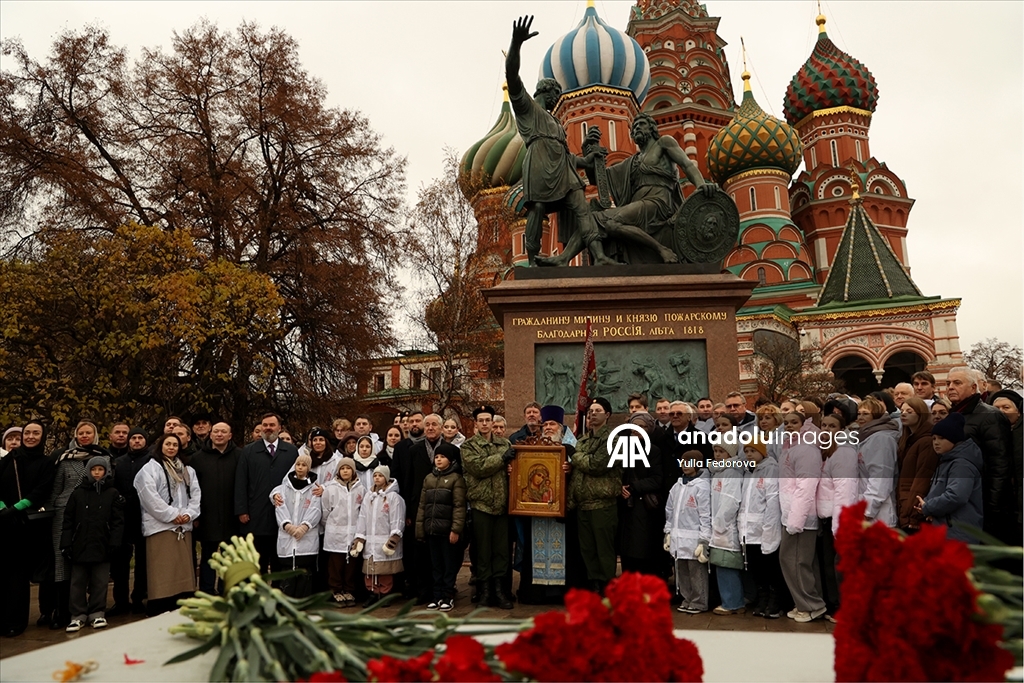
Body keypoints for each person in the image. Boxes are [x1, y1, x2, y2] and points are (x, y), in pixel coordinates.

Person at [505, 15, 608, 266]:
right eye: (556, 93)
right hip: (539, 162)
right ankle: (532, 259)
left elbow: (567, 156)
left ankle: (601, 256)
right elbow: (512, 75)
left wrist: (587, 160)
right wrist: (516, 45)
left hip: (563, 170)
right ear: (546, 91)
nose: (557, 98)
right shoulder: (528, 108)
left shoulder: (556, 123)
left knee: (582, 207)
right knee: (537, 208)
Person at [45, 420, 111, 629]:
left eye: (88, 432)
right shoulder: (64, 459)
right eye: (80, 433)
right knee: (63, 563)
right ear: (75, 435)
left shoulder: (104, 457)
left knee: (91, 563)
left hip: (94, 518)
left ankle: (95, 610)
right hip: (65, 515)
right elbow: (56, 490)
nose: (84, 436)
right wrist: (50, 512)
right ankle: (64, 611)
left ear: (95, 435)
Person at [516, 405, 580, 604]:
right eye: (546, 424)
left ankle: (562, 593)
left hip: (563, 512)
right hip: (537, 512)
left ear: (561, 427)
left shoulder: (572, 447)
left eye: (553, 424)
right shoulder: (532, 446)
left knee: (567, 553)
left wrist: (572, 468)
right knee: (536, 551)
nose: (548, 428)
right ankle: (537, 593)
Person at [946, 368, 1017, 544]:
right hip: (962, 498)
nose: (950, 387)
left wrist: (993, 506)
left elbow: (1000, 464)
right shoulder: (953, 415)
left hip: (984, 503)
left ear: (973, 387)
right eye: (948, 383)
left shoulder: (989, 415)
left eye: (957, 383)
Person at [134, 434, 201, 616]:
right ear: (160, 446)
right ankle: (161, 604)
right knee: (163, 569)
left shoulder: (187, 470)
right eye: (167, 444)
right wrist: (172, 515)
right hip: (160, 526)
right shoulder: (150, 469)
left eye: (175, 445)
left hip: (182, 525)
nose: (171, 447)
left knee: (182, 568)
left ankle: (183, 601)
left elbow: (195, 495)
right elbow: (150, 498)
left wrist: (188, 514)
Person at [0, 421, 56, 637]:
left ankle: (15, 621)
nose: (31, 436)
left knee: (19, 577)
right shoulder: (9, 459)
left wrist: (16, 508)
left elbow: (41, 491)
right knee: (4, 573)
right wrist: (3, 508)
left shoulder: (45, 462)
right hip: (5, 523)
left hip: (28, 524)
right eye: (28, 432)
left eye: (36, 433)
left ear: (42, 437)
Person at [60, 456, 124, 632]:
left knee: (100, 581)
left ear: (106, 472)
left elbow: (118, 521)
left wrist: (114, 542)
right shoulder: (78, 493)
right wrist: (66, 543)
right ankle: (78, 614)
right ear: (88, 471)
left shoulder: (112, 494)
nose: (97, 473)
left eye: (100, 470)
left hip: (103, 544)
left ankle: (97, 612)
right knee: (77, 582)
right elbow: (68, 520)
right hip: (79, 544)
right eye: (94, 469)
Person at [461, 406, 514, 609]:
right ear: (475, 424)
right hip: (481, 504)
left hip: (502, 505)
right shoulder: (469, 447)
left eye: (488, 420)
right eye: (481, 420)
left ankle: (499, 591)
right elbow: (479, 467)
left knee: (501, 551)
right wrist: (502, 459)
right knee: (483, 550)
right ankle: (484, 591)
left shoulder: (504, 443)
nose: (484, 423)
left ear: (493, 422)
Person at [569, 398, 621, 593]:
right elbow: (580, 466)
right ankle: (594, 586)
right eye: (590, 410)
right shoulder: (583, 439)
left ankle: (608, 588)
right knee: (588, 550)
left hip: (603, 504)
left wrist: (574, 455)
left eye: (597, 410)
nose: (592, 414)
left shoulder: (613, 439)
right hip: (583, 504)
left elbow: (596, 465)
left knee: (604, 551)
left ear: (607, 415)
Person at [235, 413, 298, 572]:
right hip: (256, 513)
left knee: (279, 557)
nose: (268, 428)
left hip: (284, 513)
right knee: (257, 558)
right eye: (265, 425)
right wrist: (241, 510)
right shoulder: (249, 451)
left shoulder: (291, 451)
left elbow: (297, 479)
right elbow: (241, 481)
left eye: (272, 425)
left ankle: (278, 591)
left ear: (280, 428)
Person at [778, 412, 826, 623]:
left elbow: (806, 486)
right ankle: (806, 603)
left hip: (800, 517)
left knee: (795, 561)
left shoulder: (806, 449)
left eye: (794, 422)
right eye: (786, 423)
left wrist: (795, 521)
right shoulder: (792, 447)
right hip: (791, 513)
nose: (789, 426)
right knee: (798, 561)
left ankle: (811, 605)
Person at [396, 414, 446, 604]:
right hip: (419, 505)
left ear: (441, 428)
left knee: (439, 551)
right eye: (428, 425)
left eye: (435, 424)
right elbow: (408, 480)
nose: (431, 428)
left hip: (442, 506)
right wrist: (408, 511)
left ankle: (440, 589)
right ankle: (422, 589)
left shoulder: (448, 450)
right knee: (420, 551)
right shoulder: (415, 449)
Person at [914, 414, 984, 543]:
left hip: (957, 533)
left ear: (954, 439)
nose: (936, 442)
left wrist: (929, 507)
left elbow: (957, 496)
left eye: (941, 438)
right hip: (949, 530)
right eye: (934, 438)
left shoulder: (961, 464)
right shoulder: (947, 461)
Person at [190, 422, 241, 595]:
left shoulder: (239, 456)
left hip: (231, 516)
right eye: (216, 431)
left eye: (223, 432)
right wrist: (195, 516)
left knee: (229, 556)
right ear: (211, 435)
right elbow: (192, 490)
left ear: (230, 435)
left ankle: (226, 589)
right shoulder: (197, 458)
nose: (219, 434)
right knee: (208, 556)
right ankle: (206, 590)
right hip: (207, 516)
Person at [416, 442, 466, 612]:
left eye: (442, 457)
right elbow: (423, 506)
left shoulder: (456, 479)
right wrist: (421, 529)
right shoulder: (429, 478)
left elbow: (459, 506)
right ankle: (436, 596)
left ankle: (447, 596)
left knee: (448, 565)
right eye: (436, 457)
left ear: (450, 460)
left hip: (447, 531)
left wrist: (455, 530)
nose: (438, 460)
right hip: (431, 530)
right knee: (435, 564)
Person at [740, 439, 785, 619]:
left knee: (770, 567)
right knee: (756, 568)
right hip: (748, 529)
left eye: (753, 451)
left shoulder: (770, 470)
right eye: (747, 451)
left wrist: (770, 530)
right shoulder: (748, 472)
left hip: (763, 528)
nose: (749, 454)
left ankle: (775, 602)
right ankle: (762, 598)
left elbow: (772, 501)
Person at [618, 411, 665, 577]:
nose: (637, 429)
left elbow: (657, 479)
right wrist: (619, 487)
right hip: (624, 506)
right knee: (626, 550)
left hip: (643, 507)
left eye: (642, 426)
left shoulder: (654, 451)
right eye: (634, 426)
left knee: (641, 549)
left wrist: (632, 487)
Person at [351, 465, 405, 607]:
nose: (377, 478)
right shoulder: (369, 497)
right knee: (370, 570)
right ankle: (373, 593)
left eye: (380, 476)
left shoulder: (393, 497)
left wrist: (394, 538)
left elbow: (397, 519)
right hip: (370, 540)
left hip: (384, 539)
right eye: (375, 476)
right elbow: (362, 517)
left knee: (384, 570)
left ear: (386, 478)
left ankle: (385, 594)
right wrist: (359, 537)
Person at [110, 428, 150, 615]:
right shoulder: (118, 462)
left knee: (143, 561)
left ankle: (138, 597)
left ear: (145, 441)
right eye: (133, 438)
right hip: (123, 518)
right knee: (120, 562)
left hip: (144, 516)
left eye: (140, 438)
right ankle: (121, 601)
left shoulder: (151, 461)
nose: (136, 441)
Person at [271, 453, 322, 598]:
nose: (300, 468)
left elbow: (315, 508)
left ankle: (303, 600)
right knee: (287, 569)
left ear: (309, 468)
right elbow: (279, 507)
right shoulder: (283, 488)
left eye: (304, 465)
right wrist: (287, 526)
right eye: (298, 464)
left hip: (306, 536)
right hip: (287, 536)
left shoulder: (314, 488)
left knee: (305, 570)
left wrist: (304, 526)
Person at [665, 455, 710, 614]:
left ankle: (699, 602)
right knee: (682, 572)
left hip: (694, 539)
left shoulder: (701, 487)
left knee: (696, 573)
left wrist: (704, 540)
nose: (685, 466)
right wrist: (668, 532)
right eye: (683, 462)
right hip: (678, 538)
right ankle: (687, 598)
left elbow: (705, 514)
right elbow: (669, 511)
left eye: (689, 462)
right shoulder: (677, 486)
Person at [707, 440, 745, 615]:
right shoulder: (718, 473)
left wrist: (719, 524)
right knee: (721, 564)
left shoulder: (732, 473)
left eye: (721, 451)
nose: (717, 454)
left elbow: (730, 501)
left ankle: (733, 602)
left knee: (727, 564)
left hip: (726, 528)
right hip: (718, 526)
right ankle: (730, 600)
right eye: (715, 451)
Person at [322, 457, 365, 606]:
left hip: (353, 532)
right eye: (342, 468)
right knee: (336, 565)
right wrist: (332, 526)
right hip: (335, 534)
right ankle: (336, 590)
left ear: (353, 470)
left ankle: (349, 590)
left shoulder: (360, 488)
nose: (345, 471)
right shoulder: (331, 488)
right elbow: (325, 512)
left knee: (351, 566)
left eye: (348, 468)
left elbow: (362, 511)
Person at [895, 398, 938, 533]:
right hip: (904, 504)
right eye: (902, 411)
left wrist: (911, 515)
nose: (903, 414)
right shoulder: (907, 440)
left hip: (913, 511)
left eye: (909, 411)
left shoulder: (926, 441)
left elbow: (923, 477)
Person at [855, 397, 900, 527]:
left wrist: (867, 511)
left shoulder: (881, 439)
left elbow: (880, 478)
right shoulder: (866, 436)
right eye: (859, 414)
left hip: (879, 515)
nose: (860, 417)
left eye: (865, 414)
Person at [988, 390, 1022, 540]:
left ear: (1019, 412)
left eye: (1006, 407)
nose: (1001, 412)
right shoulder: (990, 435)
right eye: (996, 408)